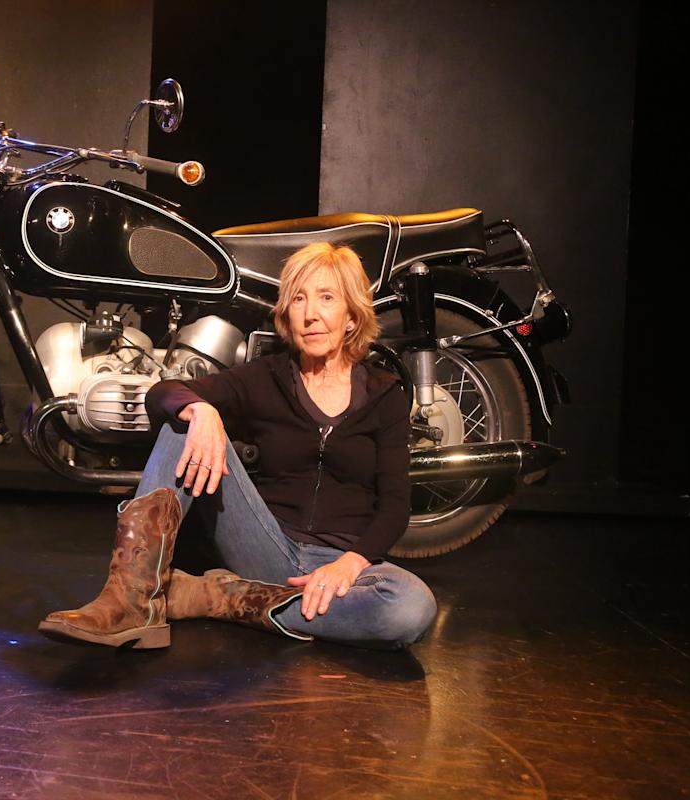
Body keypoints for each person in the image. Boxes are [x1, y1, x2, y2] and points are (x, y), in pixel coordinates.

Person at [39, 242, 438, 651]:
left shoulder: (384, 395)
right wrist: (201, 411)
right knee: (185, 424)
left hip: (340, 560)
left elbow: (395, 506)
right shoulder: (266, 376)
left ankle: (220, 598)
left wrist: (349, 565)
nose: (310, 314)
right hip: (263, 544)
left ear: (352, 316)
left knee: (410, 608)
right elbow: (162, 393)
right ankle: (130, 601)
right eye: (298, 299)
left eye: (327, 298)